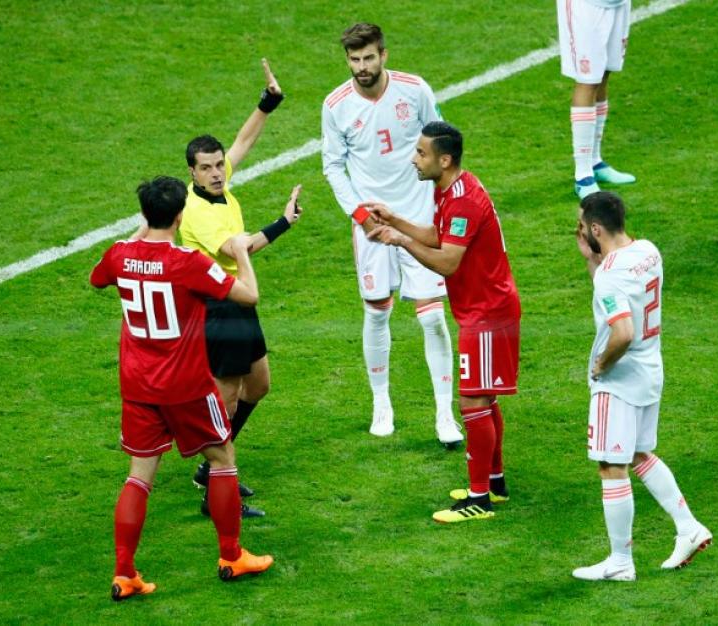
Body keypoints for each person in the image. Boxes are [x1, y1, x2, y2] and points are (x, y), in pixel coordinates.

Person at [90, 176, 274, 601]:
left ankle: (125, 574)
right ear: (180, 216)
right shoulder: (188, 262)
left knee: (138, 476)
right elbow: (248, 295)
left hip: (138, 387)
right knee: (222, 457)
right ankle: (232, 556)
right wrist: (243, 252)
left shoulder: (120, 255)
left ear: (144, 214)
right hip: (187, 386)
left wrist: (139, 238)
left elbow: (96, 279)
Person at [366, 121, 520, 523]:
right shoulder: (450, 189)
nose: (414, 159)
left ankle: (479, 498)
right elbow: (439, 236)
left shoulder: (465, 199)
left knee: (473, 399)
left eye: (421, 153)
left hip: (488, 313)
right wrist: (396, 220)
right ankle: (495, 482)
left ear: (444, 159)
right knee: (484, 397)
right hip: (483, 309)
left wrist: (400, 241)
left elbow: (448, 262)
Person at [321, 23, 460, 446]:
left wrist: (444, 202)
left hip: (418, 213)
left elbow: (440, 145)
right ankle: (381, 402)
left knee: (433, 316)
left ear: (384, 54)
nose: (361, 67)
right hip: (372, 223)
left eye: (368, 58)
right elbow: (333, 165)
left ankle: (444, 413)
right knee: (377, 311)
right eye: (354, 59)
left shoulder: (414, 90)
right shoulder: (336, 105)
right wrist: (361, 214)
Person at [176, 59, 302, 517]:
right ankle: (215, 488)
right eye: (206, 168)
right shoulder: (198, 213)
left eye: (218, 165)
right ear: (191, 172)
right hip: (218, 310)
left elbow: (244, 140)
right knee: (225, 400)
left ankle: (210, 470)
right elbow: (237, 249)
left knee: (260, 385)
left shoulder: (221, 186)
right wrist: (283, 223)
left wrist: (268, 102)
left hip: (238, 302)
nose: (217, 172)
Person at [572, 191, 712, 581]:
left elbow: (623, 332)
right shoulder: (648, 251)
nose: (582, 232)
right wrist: (592, 259)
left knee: (610, 465)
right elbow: (616, 290)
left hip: (619, 381)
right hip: (651, 371)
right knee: (638, 454)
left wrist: (601, 365)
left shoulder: (611, 275)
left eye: (584, 227)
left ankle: (620, 562)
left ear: (596, 228)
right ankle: (688, 528)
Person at [557, 0, 637, 199]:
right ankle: (583, 175)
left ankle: (595, 160)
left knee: (603, 74)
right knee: (588, 79)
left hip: (618, 3)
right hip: (587, 5)